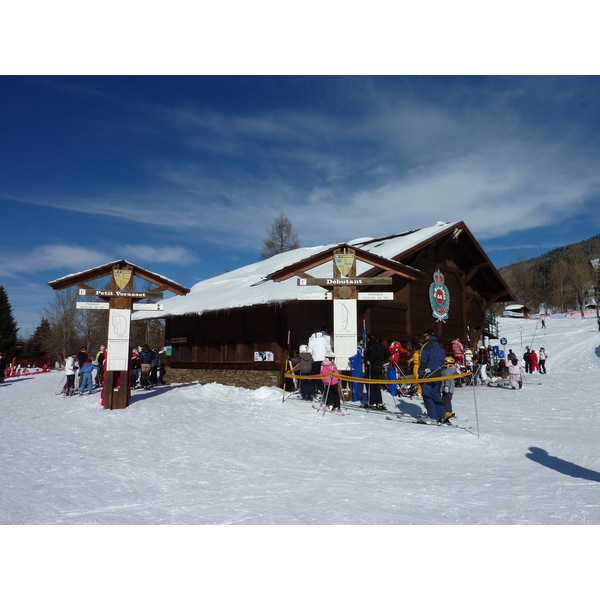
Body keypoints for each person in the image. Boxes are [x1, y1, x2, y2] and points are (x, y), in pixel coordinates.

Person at [418, 329, 446, 422]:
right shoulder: (440, 346)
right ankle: (441, 415)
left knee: (427, 394)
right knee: (436, 394)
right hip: (438, 373)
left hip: (428, 374)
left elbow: (423, 361)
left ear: (426, 336)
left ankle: (432, 416)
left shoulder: (426, 346)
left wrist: (421, 374)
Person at [365, 333, 390, 409]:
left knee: (370, 384)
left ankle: (372, 402)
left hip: (373, 366)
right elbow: (387, 352)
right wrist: (383, 359)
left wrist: (370, 360)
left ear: (369, 339)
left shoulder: (371, 345)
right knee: (376, 385)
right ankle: (379, 401)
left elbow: (374, 353)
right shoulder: (380, 345)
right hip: (379, 366)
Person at [308, 325, 333, 395]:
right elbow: (328, 348)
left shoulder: (312, 339)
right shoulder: (324, 339)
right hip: (323, 360)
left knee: (315, 374)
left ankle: (315, 389)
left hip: (315, 359)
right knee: (323, 374)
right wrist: (330, 354)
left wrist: (309, 357)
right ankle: (322, 388)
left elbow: (310, 350)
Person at [441, 356, 457, 421]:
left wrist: (446, 386)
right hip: (449, 389)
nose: (443, 365)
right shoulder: (448, 370)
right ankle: (448, 411)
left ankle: (447, 412)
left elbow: (447, 379)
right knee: (447, 400)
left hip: (448, 389)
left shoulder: (447, 371)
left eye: (445, 363)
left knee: (446, 400)